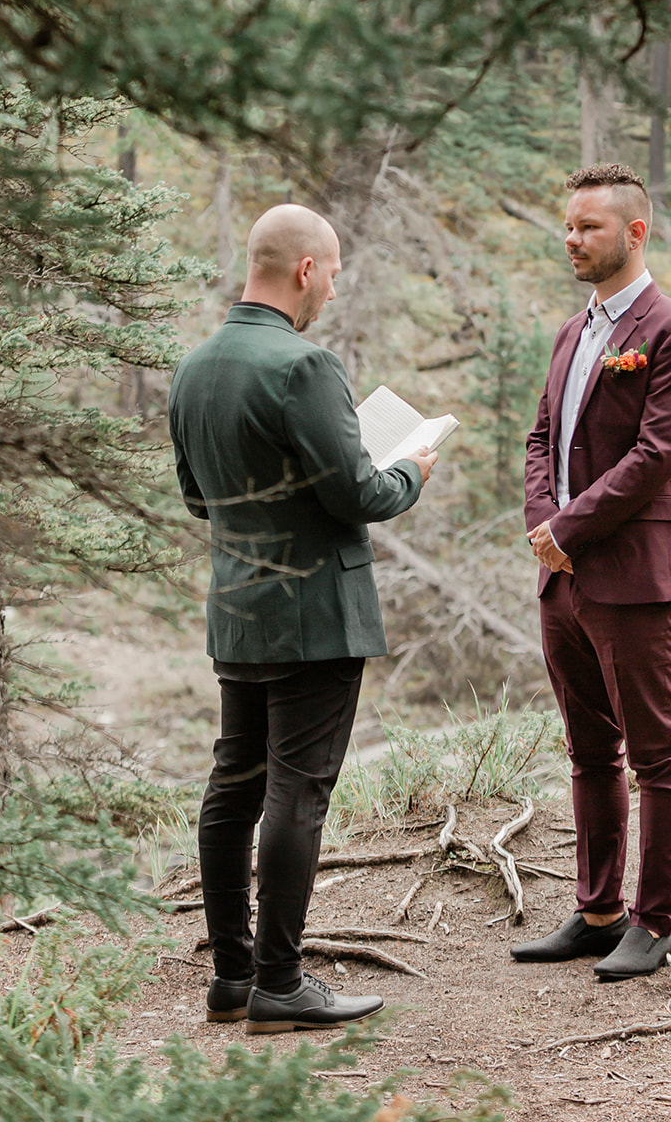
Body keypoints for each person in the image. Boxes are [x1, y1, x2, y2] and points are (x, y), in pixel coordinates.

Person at [168, 204, 438, 1030]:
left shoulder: (195, 367)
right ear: (307, 271)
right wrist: (412, 471)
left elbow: (195, 496)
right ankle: (280, 984)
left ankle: (232, 976)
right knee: (297, 791)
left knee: (233, 786)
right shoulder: (304, 367)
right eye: (334, 276)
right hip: (316, 616)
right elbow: (358, 493)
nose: (330, 292)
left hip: (239, 609)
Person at [515, 163, 671, 980]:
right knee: (587, 750)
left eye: (587, 227)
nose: (571, 238)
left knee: (655, 755)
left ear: (635, 233)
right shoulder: (573, 331)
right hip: (560, 577)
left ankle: (653, 921)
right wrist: (542, 528)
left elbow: (656, 456)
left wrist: (570, 526)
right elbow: (539, 440)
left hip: (634, 578)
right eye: (567, 225)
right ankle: (598, 911)